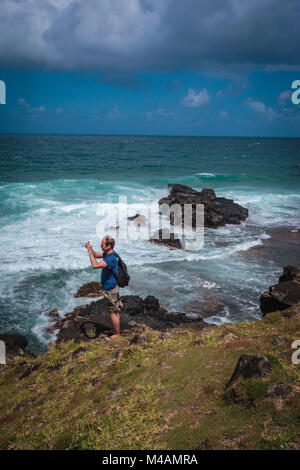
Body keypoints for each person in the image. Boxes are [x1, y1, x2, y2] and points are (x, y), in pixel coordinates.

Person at [85, 235, 123, 341]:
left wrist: (89, 252)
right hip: (110, 287)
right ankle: (115, 330)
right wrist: (90, 248)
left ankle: (117, 334)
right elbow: (96, 255)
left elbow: (95, 265)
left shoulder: (111, 258)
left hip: (111, 288)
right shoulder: (108, 253)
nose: (100, 245)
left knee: (113, 311)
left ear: (109, 245)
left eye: (102, 244)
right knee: (113, 310)